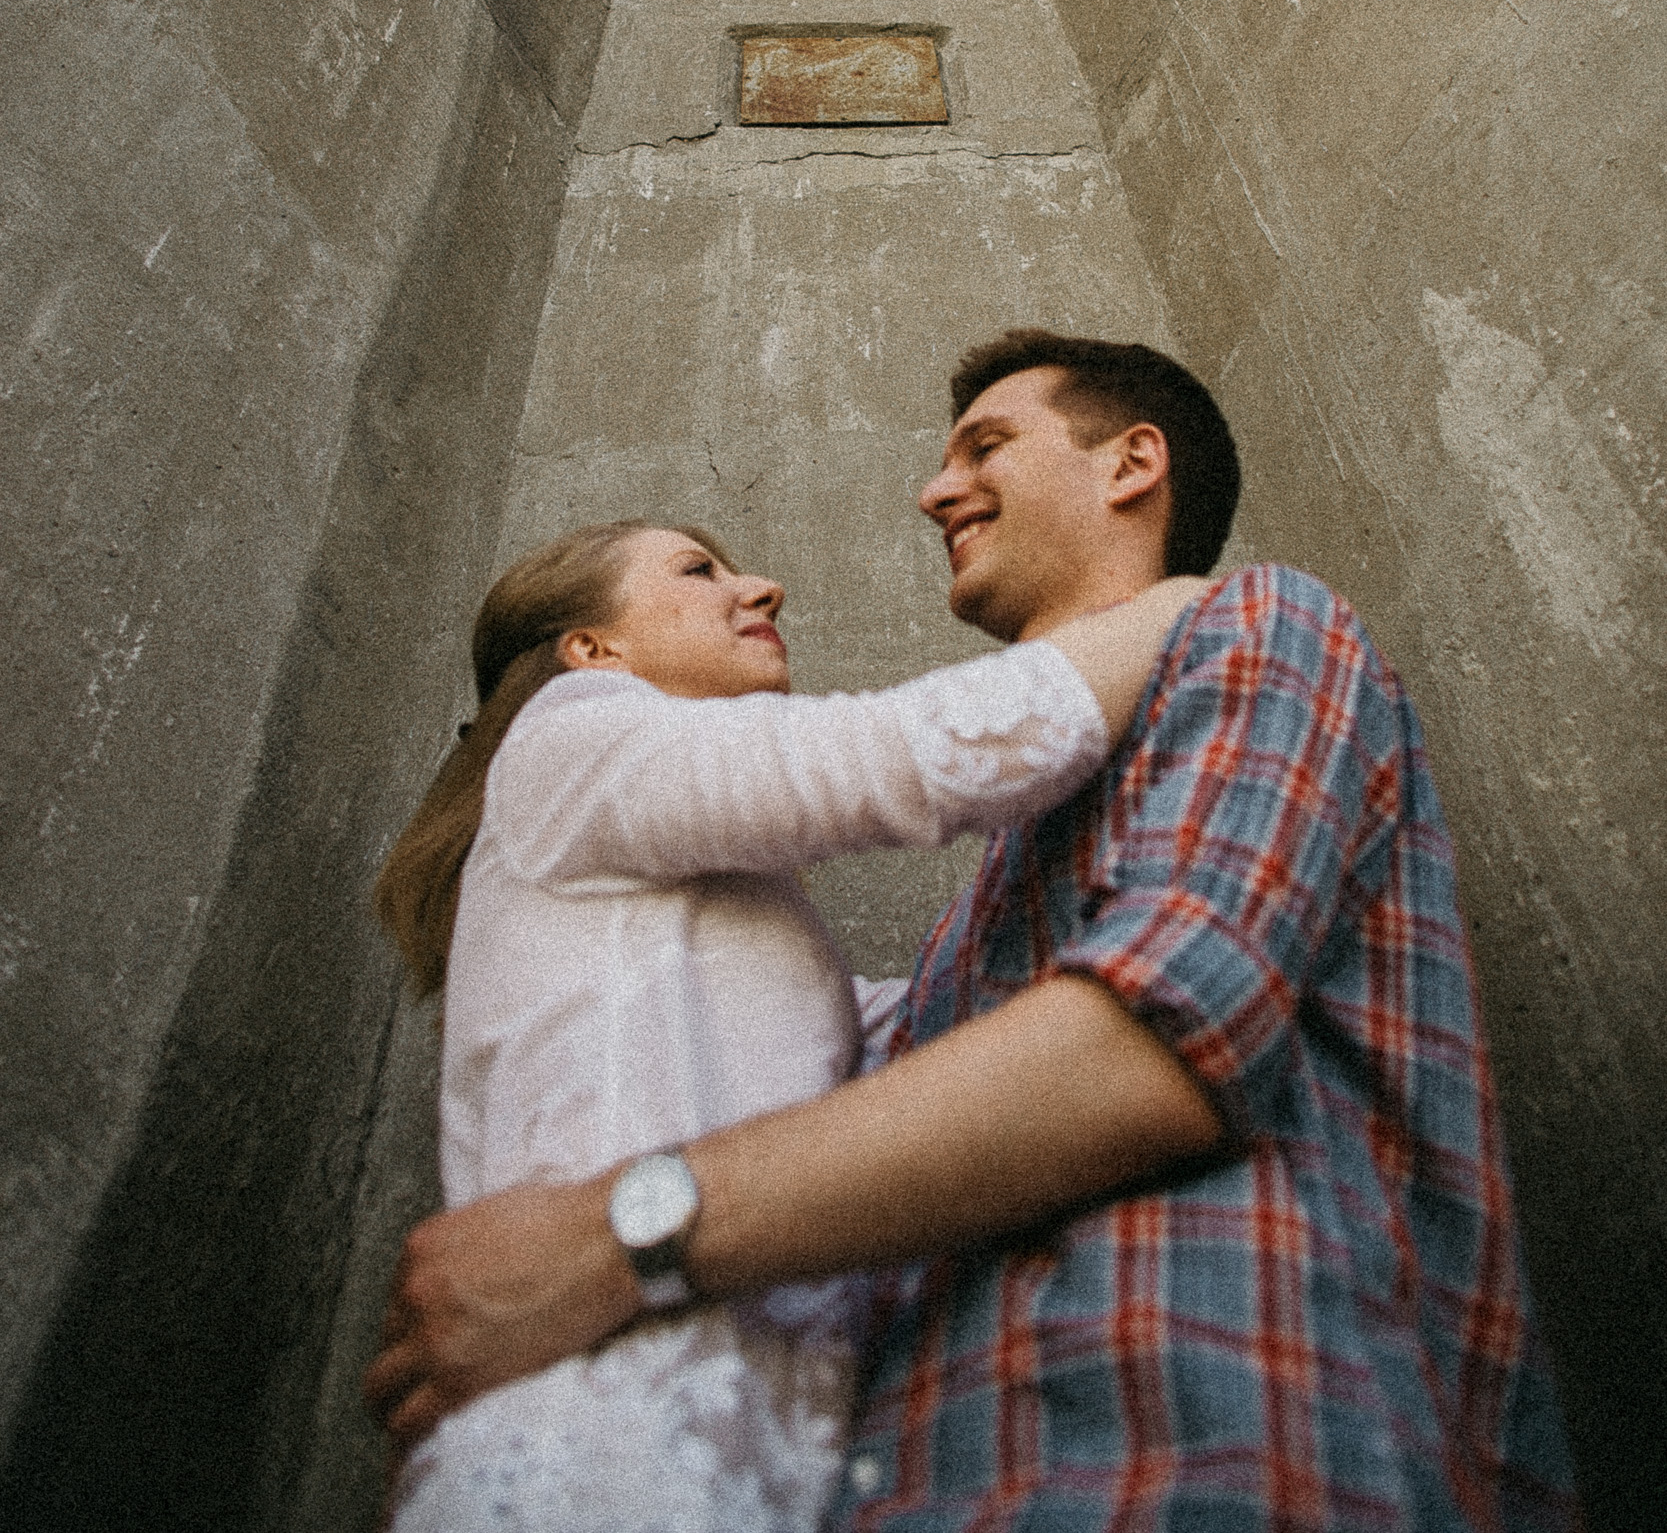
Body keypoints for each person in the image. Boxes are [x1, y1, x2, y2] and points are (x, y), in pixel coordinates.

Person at [368, 332, 1581, 1532]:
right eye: (697, 572)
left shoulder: (1256, 626)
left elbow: (1144, 1049)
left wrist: (609, 1235)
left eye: (984, 444)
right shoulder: (962, 907)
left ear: (1131, 465)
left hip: (1204, 1456)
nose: (932, 488)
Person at [374, 508, 1208, 1533]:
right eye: (697, 569)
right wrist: (1189, 610)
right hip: (596, 1442)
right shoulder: (570, 731)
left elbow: (913, 1027)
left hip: (748, 1447)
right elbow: (896, 756)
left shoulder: (705, 903)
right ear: (593, 649)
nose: (760, 587)